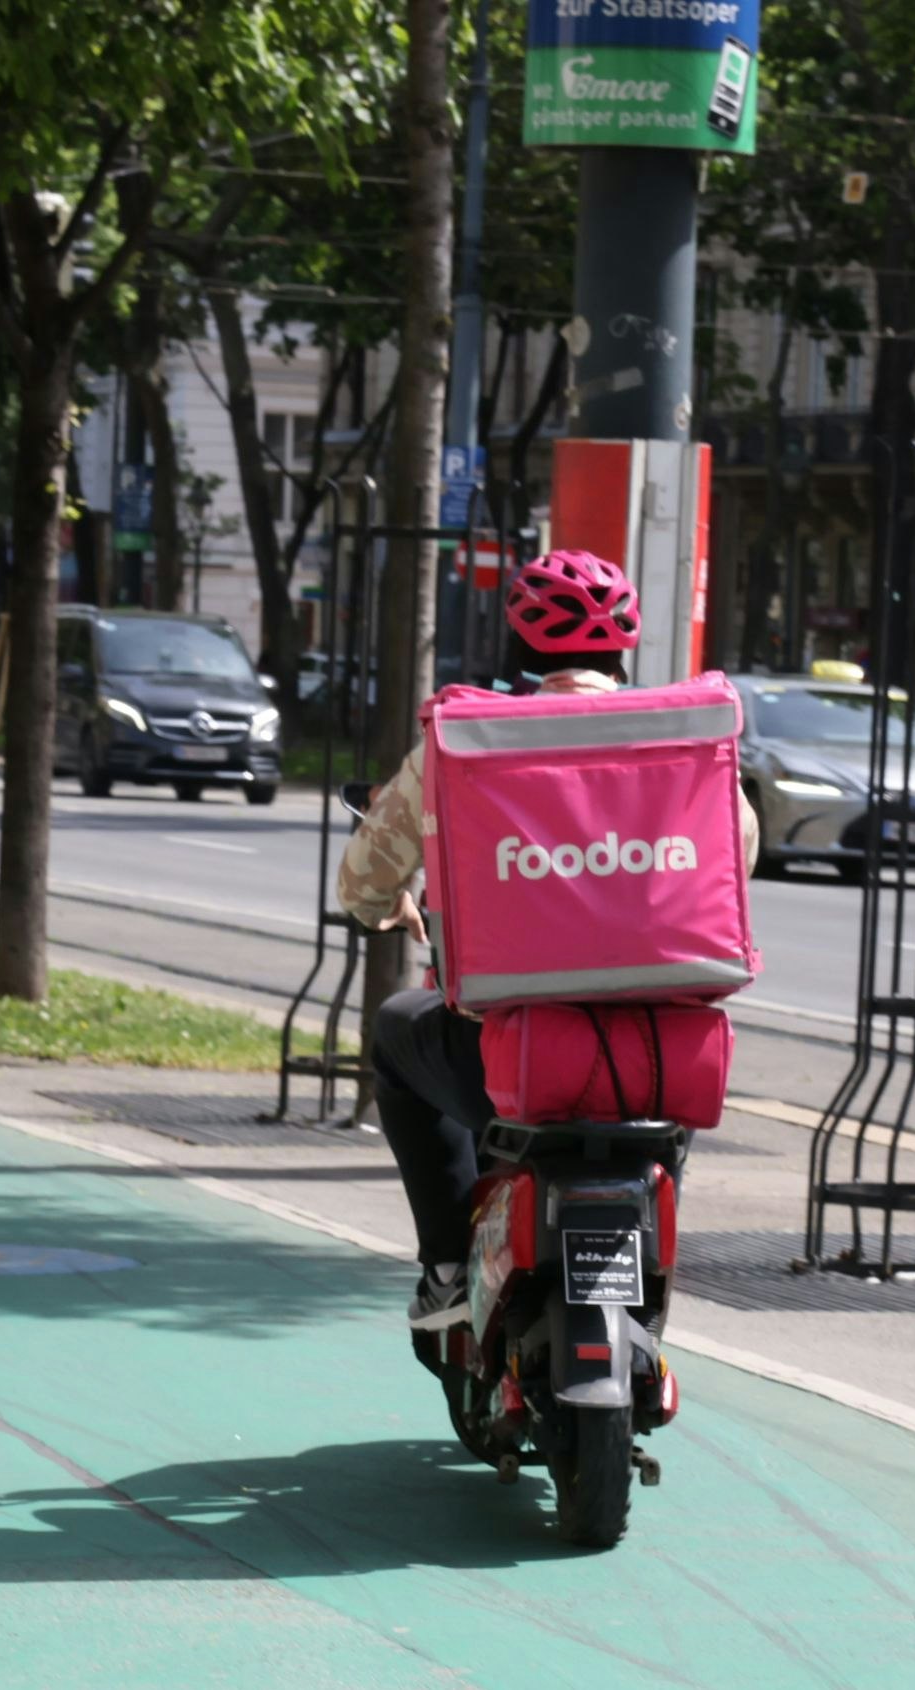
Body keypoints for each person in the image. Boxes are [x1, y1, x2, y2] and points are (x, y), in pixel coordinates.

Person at [337, 550, 757, 1329]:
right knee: (663, 1134)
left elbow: (362, 883)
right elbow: (737, 857)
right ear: (621, 647)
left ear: (521, 648)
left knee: (398, 1031)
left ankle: (445, 1267)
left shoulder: (463, 739)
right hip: (661, 1059)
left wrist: (385, 903)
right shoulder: (686, 740)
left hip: (507, 1060)